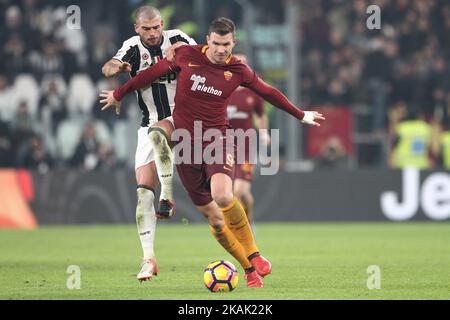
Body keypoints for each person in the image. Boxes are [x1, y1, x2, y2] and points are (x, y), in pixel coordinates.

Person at [100, 17, 325, 287]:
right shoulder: (185, 54)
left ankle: (255, 255)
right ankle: (247, 269)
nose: (221, 49)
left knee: (223, 195)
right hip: (185, 146)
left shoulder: (239, 69)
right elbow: (150, 74)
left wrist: (300, 115)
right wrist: (119, 93)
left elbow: (268, 92)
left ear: (234, 42)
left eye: (226, 44)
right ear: (208, 40)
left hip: (217, 139)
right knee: (216, 222)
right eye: (217, 43)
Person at [101, 5, 196, 282]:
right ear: (137, 29)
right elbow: (108, 67)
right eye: (147, 29)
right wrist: (115, 68)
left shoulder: (178, 38)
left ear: (162, 24)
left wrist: (182, 53)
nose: (153, 33)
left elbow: (201, 56)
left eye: (157, 27)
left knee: (159, 133)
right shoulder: (131, 48)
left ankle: (168, 194)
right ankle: (148, 259)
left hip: (183, 118)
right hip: (148, 124)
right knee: (143, 193)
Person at [226, 54, 270, 234]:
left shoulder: (253, 91)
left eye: (243, 64)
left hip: (246, 147)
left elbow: (261, 115)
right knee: (228, 193)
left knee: (240, 190)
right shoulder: (220, 89)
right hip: (223, 148)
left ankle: (248, 218)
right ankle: (240, 225)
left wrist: (264, 133)